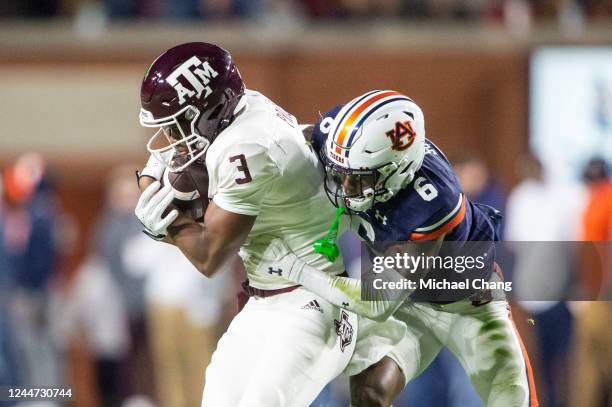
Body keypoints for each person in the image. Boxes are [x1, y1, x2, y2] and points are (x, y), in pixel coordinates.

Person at [132, 43, 405, 406]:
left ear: (210, 111)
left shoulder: (246, 145)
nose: (171, 140)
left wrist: (164, 220)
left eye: (178, 124)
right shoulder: (243, 111)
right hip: (266, 301)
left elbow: (209, 257)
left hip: (311, 303)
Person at [260, 90, 539, 406]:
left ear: (397, 170)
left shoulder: (432, 203)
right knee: (369, 389)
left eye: (359, 178)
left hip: (467, 299)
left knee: (510, 396)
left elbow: (378, 303)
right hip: (410, 301)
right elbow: (296, 140)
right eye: (342, 173)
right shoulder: (343, 137)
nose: (345, 188)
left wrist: (295, 269)